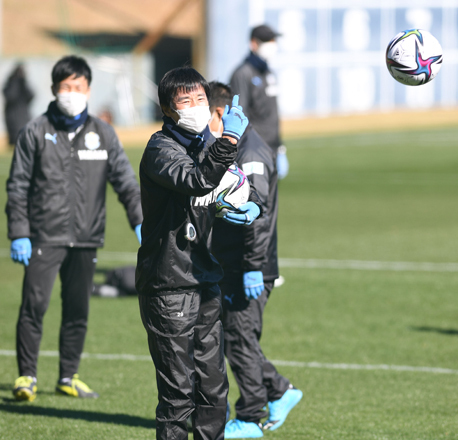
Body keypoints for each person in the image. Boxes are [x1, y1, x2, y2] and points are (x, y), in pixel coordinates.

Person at [6, 55, 143, 401]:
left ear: (88, 89)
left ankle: (68, 375)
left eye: (78, 87)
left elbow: (126, 183)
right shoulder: (35, 132)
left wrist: (141, 221)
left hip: (86, 238)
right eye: (65, 87)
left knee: (77, 310)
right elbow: (17, 185)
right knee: (34, 306)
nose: (72, 93)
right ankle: (26, 376)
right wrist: (19, 231)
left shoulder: (103, 133)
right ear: (54, 90)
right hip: (43, 236)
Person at [136, 66, 260, 440]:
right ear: (168, 109)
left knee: (213, 389)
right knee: (178, 396)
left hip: (205, 277)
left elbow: (233, 181)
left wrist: (251, 203)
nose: (196, 107)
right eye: (185, 101)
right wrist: (230, 140)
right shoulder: (160, 150)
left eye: (201, 99)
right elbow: (197, 180)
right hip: (169, 283)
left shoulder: (206, 146)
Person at [208, 82, 302, 438]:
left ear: (219, 113)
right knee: (235, 337)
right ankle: (279, 391)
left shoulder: (249, 151)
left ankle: (250, 417)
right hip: (232, 262)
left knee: (239, 338)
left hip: (250, 265)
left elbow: (257, 214)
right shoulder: (234, 146)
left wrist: (251, 266)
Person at [230, 24, 289, 180]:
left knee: (271, 202)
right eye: (267, 41)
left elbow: (271, 115)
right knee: (256, 200)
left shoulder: (268, 73)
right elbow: (239, 114)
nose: (272, 45)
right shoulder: (243, 74)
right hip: (254, 149)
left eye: (273, 40)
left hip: (273, 148)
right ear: (254, 44)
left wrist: (280, 148)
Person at [3, 63, 34, 146]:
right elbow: (10, 96)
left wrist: (23, 82)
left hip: (23, 115)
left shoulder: (23, 83)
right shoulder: (11, 83)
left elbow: (31, 95)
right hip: (12, 115)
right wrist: (16, 82)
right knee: (15, 138)